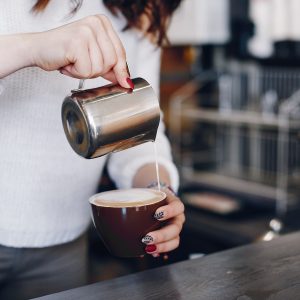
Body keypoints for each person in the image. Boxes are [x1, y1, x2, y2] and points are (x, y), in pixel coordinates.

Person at [0, 0, 185, 299]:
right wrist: (31, 48)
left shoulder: (142, 8)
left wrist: (158, 191)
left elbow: (137, 132)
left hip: (64, 243)